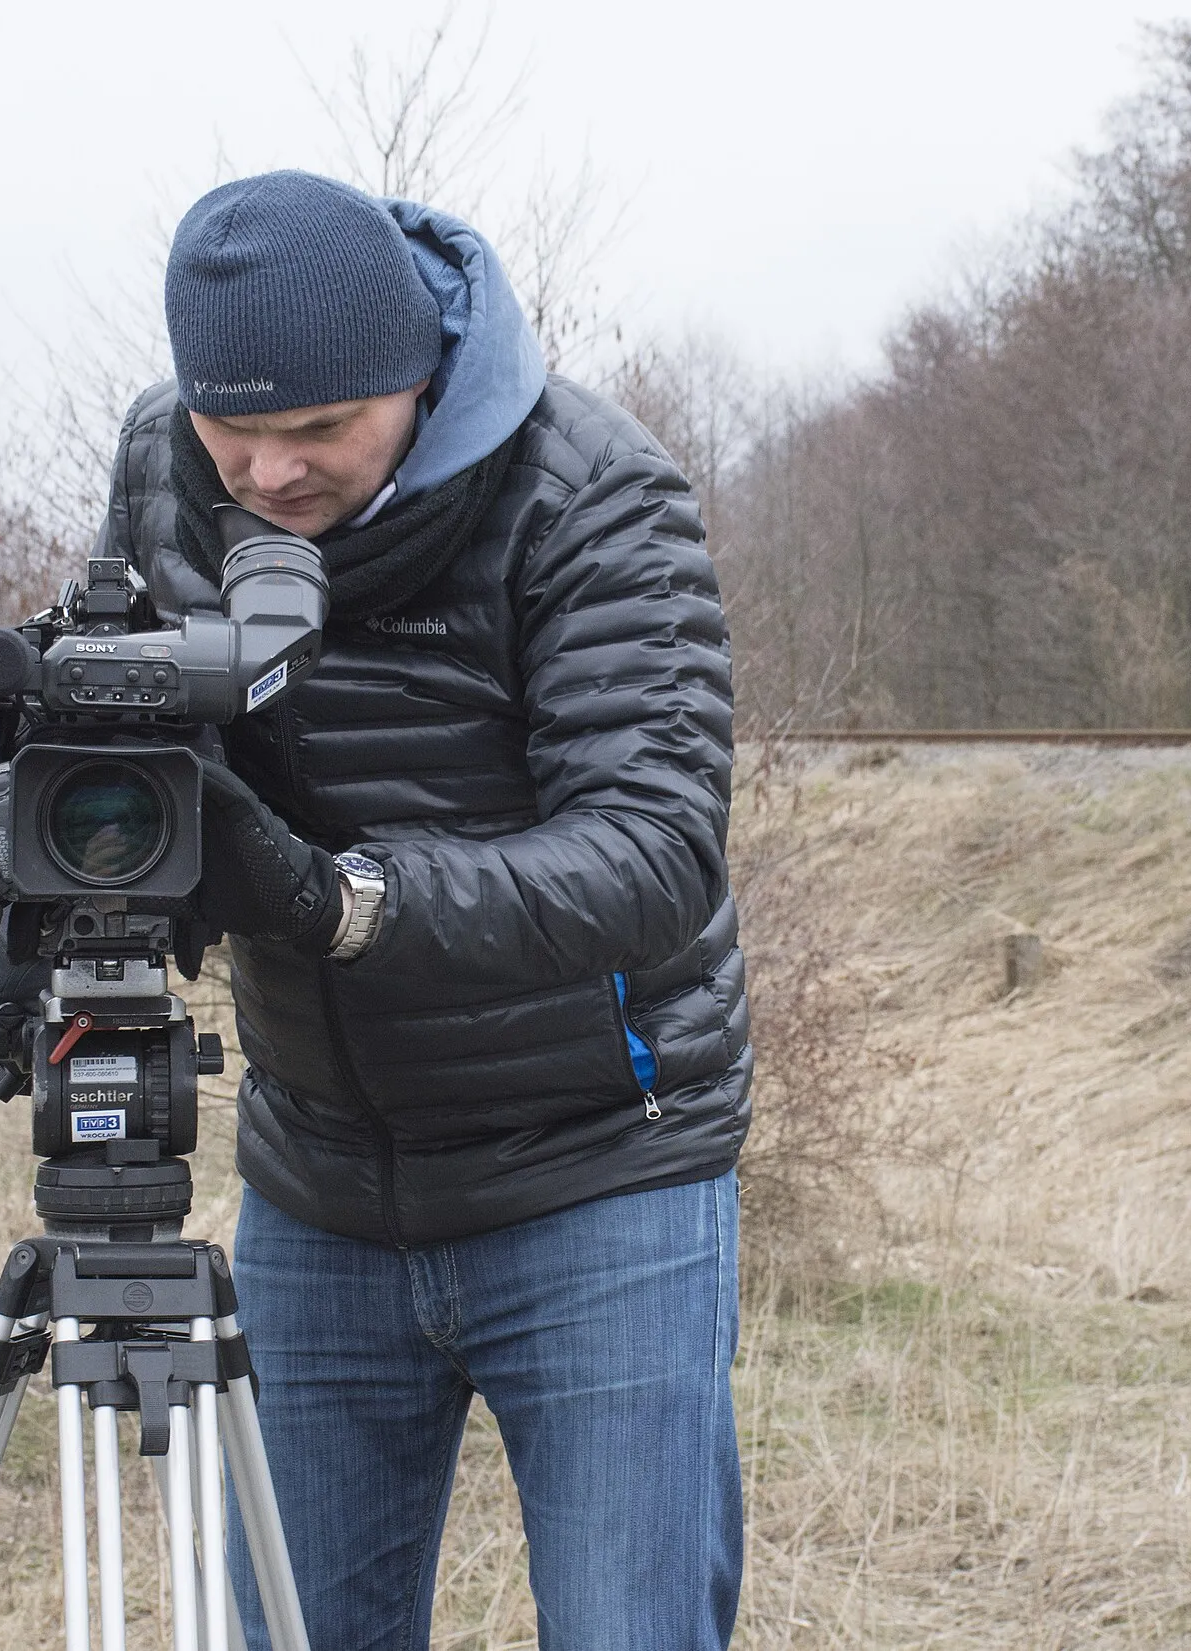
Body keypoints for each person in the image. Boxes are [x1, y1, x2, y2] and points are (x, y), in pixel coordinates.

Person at [95, 169, 749, 1651]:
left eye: (318, 430)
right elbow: (146, 722)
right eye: (233, 429)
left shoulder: (592, 493)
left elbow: (653, 853)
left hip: (597, 1174)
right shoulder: (163, 461)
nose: (265, 474)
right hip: (319, 1181)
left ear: (421, 377)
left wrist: (341, 902)